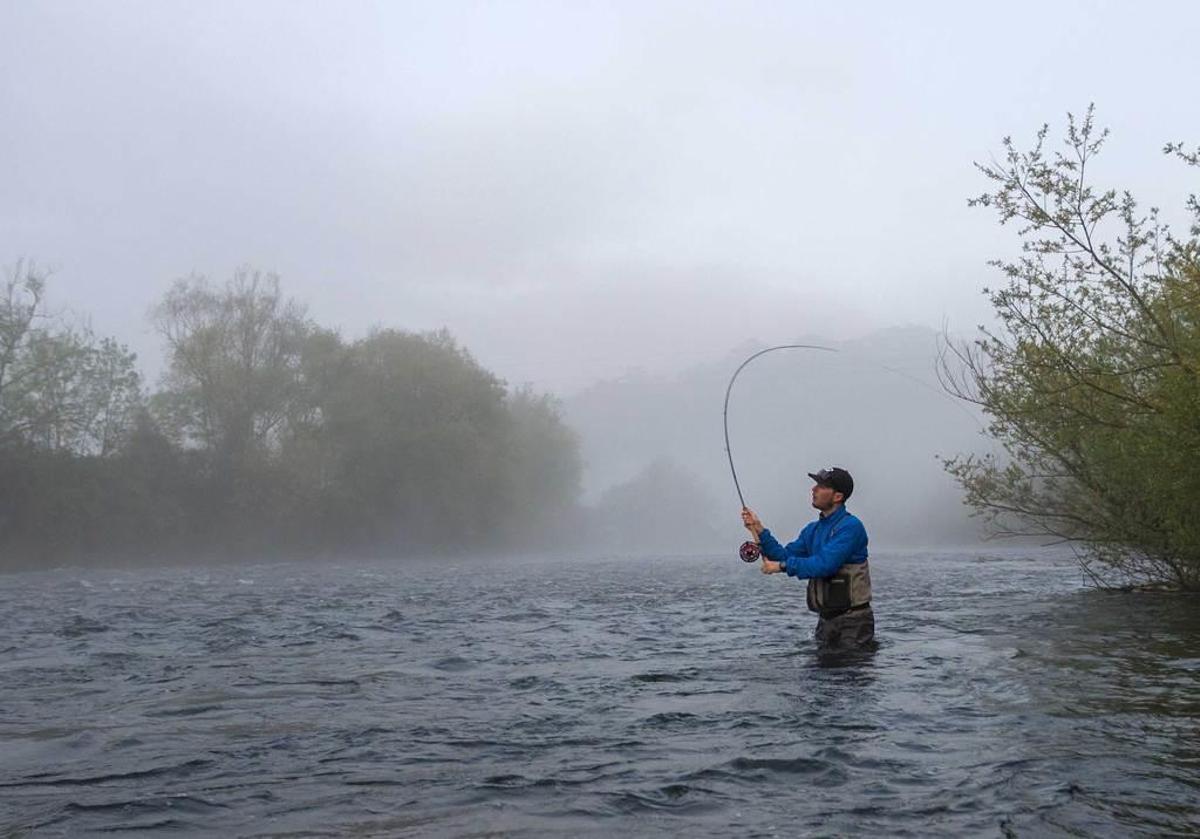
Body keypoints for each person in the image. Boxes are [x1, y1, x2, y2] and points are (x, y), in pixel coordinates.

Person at [741, 466, 874, 651]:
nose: (814, 489)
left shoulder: (851, 527)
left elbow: (824, 565)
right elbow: (784, 555)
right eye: (815, 485)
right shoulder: (812, 530)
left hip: (854, 623)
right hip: (826, 621)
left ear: (837, 496)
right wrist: (759, 529)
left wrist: (781, 566)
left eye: (821, 486)